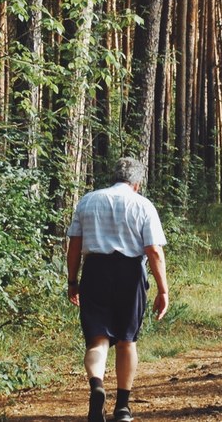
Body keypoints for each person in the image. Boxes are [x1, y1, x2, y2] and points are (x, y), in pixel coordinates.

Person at [66, 157, 170, 422]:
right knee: (126, 341)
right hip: (130, 273)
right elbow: (154, 251)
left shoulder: (88, 201)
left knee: (97, 339)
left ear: (113, 177)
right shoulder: (143, 205)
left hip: (95, 272)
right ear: (137, 183)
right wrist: (163, 290)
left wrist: (72, 281)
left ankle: (97, 386)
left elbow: (74, 246)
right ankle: (122, 407)